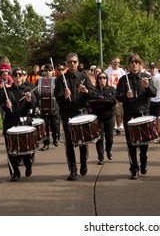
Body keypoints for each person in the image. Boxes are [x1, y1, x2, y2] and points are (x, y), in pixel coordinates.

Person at [54, 52, 95, 181]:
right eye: (70, 62)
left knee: (83, 141)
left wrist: (86, 91)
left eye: (75, 62)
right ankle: (73, 170)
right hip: (67, 113)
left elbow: (94, 93)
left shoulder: (84, 77)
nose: (72, 64)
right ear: (66, 63)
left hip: (81, 112)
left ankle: (83, 163)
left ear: (78, 63)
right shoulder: (61, 79)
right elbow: (57, 97)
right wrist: (65, 96)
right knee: (69, 143)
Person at [116, 53, 157, 180]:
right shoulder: (124, 79)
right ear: (128, 65)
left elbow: (154, 93)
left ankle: (143, 160)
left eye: (136, 62)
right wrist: (125, 96)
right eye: (132, 62)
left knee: (144, 143)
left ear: (140, 64)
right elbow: (117, 96)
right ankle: (134, 168)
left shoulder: (146, 77)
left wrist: (147, 86)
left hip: (144, 114)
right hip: (130, 115)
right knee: (131, 143)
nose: (134, 64)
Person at [0, 67, 37, 181]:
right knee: (11, 149)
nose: (18, 77)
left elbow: (33, 105)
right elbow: (3, 106)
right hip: (11, 122)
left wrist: (29, 100)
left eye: (20, 75)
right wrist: (6, 105)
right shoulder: (7, 91)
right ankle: (15, 172)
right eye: (15, 75)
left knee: (25, 148)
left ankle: (28, 163)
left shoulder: (28, 89)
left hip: (24, 122)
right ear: (12, 77)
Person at [89, 71, 116, 164]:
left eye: (104, 78)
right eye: (100, 78)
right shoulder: (94, 90)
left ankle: (108, 150)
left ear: (107, 79)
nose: (102, 79)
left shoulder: (111, 89)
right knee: (99, 138)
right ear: (97, 80)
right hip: (98, 117)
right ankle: (100, 157)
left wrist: (103, 100)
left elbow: (113, 100)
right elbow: (91, 100)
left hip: (109, 117)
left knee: (110, 138)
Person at [37, 64, 60, 150]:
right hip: (43, 106)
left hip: (53, 106)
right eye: (46, 70)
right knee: (45, 126)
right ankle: (46, 143)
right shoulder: (39, 80)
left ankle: (55, 138)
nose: (48, 72)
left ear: (52, 71)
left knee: (54, 125)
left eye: (49, 70)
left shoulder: (56, 80)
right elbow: (37, 92)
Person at [104, 56, 126, 135]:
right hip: (110, 93)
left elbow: (125, 81)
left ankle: (118, 127)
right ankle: (112, 126)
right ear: (112, 62)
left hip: (118, 92)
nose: (116, 64)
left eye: (118, 62)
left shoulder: (122, 71)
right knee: (110, 111)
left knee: (118, 112)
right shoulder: (107, 71)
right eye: (115, 62)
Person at [148, 62, 160, 142]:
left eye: (153, 68)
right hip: (151, 100)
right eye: (151, 68)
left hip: (159, 99)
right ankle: (153, 134)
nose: (152, 70)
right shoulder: (148, 77)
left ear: (156, 69)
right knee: (151, 119)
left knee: (159, 117)